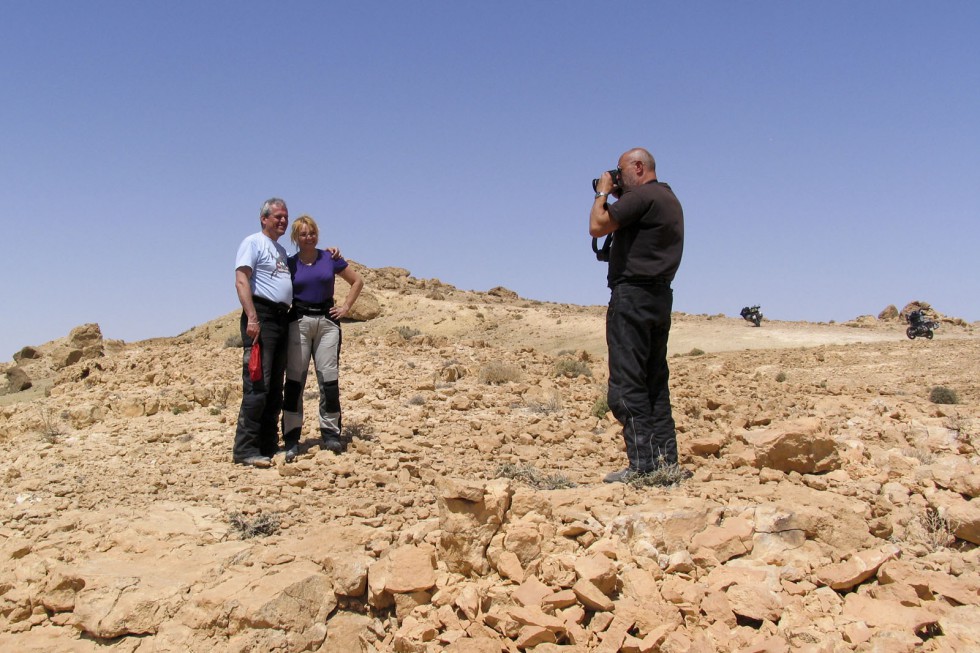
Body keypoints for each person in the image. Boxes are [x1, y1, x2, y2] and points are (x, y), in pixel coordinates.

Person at [589, 148, 685, 483]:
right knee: (654, 383)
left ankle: (642, 467)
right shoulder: (666, 198)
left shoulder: (643, 196)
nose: (617, 176)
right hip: (659, 297)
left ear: (638, 167)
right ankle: (666, 463)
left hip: (632, 297)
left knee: (627, 385)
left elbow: (597, 225)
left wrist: (603, 192)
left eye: (620, 170)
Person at [281, 215, 364, 460]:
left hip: (327, 323)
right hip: (299, 322)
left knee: (329, 380)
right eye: (304, 234)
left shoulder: (330, 257)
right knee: (295, 381)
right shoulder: (290, 263)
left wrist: (346, 307)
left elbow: (357, 281)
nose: (309, 237)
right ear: (296, 238)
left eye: (312, 233)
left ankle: (330, 434)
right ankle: (291, 438)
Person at [233, 198, 293, 468]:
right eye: (278, 216)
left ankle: (268, 445)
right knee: (258, 382)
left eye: (285, 216)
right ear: (264, 218)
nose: (282, 220)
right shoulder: (253, 243)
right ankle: (245, 449)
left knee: (275, 386)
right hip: (262, 317)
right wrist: (253, 317)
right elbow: (242, 278)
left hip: (281, 319)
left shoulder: (279, 249)